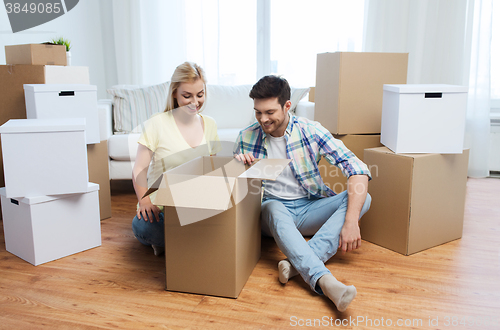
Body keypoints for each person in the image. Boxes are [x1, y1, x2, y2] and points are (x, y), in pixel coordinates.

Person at [233, 75, 371, 312]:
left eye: (269, 112)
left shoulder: (310, 130)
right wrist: (239, 166)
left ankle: (295, 265)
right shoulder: (246, 137)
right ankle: (325, 281)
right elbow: (236, 191)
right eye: (258, 112)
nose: (263, 119)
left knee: (362, 198)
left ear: (287, 105)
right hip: (271, 210)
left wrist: (351, 221)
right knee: (274, 208)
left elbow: (357, 169)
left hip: (309, 207)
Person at [131, 62, 221, 256]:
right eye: (187, 96)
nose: (195, 102)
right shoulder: (157, 123)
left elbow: (212, 169)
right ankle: (190, 241)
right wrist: (145, 201)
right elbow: (139, 169)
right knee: (144, 228)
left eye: (200, 94)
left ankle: (175, 243)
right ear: (174, 93)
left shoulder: (210, 125)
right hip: (161, 208)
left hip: (194, 204)